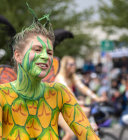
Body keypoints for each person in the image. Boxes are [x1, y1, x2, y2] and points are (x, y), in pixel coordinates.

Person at [0, 6, 100, 140]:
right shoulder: (2, 95)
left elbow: (90, 137)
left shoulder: (59, 93)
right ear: (18, 56)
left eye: (49, 52)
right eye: (37, 49)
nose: (45, 56)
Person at [55, 56, 106, 140]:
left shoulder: (72, 76)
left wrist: (97, 98)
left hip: (67, 108)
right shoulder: (60, 78)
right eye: (71, 64)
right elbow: (69, 95)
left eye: (74, 64)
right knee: (70, 133)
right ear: (65, 66)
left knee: (87, 114)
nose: (74, 66)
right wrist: (80, 102)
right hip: (57, 109)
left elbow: (83, 88)